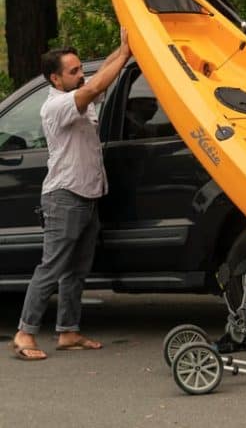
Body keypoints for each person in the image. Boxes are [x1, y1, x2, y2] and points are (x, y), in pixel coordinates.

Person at [11, 28, 132, 360]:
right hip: (64, 196)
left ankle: (68, 332)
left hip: (87, 195)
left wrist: (124, 48)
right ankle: (24, 333)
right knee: (51, 267)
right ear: (55, 78)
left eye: (81, 69)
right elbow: (97, 85)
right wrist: (123, 57)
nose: (81, 75)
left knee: (76, 271)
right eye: (73, 71)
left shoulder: (76, 90)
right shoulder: (58, 106)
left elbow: (96, 77)